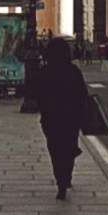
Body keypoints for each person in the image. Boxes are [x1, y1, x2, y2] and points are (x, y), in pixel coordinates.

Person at [37, 37, 89, 201]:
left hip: (51, 117)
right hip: (70, 117)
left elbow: (38, 94)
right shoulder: (73, 71)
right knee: (68, 147)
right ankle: (66, 178)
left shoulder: (45, 71)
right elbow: (82, 94)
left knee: (55, 150)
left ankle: (60, 181)